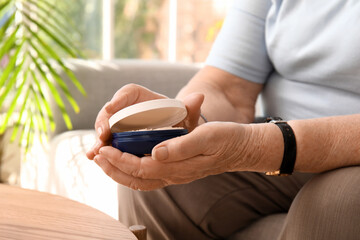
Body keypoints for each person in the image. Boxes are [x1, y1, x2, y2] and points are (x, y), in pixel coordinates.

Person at [86, 0, 360, 239]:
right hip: (282, 139)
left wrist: (262, 146)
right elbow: (228, 88)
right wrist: (189, 120)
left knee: (336, 203)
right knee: (160, 171)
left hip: (348, 153)